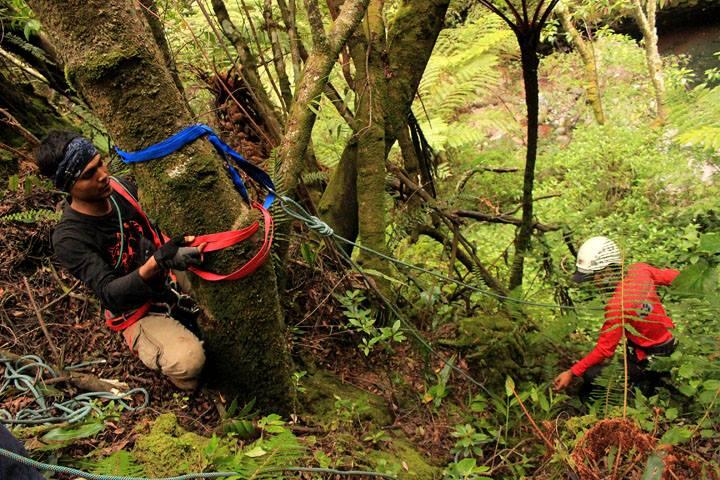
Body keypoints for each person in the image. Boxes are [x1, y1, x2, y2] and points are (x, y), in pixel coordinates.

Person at [35, 131, 206, 390]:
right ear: (68, 186)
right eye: (89, 175)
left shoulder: (122, 189)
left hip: (166, 269)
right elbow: (110, 293)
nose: (103, 175)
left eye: (100, 163)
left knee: (214, 262)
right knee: (190, 363)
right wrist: (157, 263)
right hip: (135, 310)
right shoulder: (70, 238)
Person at [553, 236, 680, 396]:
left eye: (595, 277)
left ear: (608, 271)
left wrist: (572, 372)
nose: (594, 283)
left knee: (591, 375)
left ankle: (644, 388)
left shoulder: (617, 306)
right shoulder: (640, 270)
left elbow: (605, 350)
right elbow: (674, 277)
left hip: (649, 359)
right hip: (672, 343)